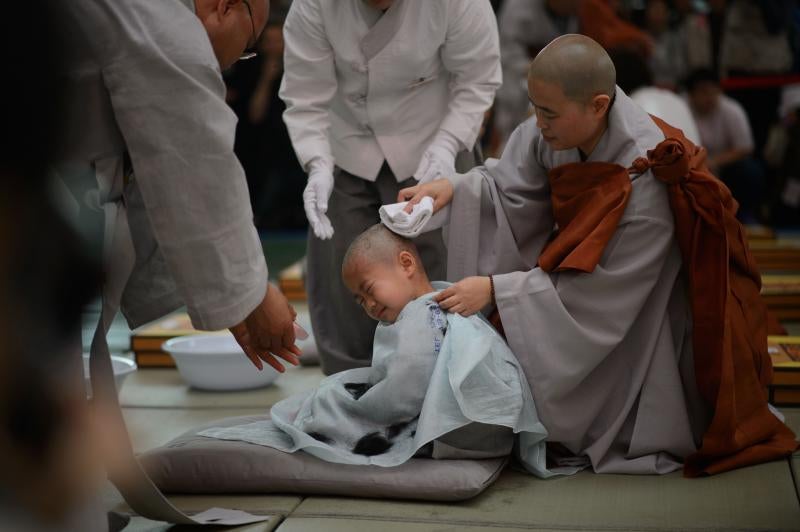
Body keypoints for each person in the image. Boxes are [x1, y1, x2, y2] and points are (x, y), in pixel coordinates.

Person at [400, 34, 797, 476]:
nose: (538, 122)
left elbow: (604, 293)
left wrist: (497, 288)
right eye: (534, 107)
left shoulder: (650, 176)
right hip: (570, 277)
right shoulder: (553, 126)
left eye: (548, 112)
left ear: (598, 105)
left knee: (607, 408)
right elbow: (508, 189)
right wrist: (452, 188)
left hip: (644, 304)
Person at [57, 0, 300, 373]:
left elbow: (155, 179)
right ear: (226, 6)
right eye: (248, 46)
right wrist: (251, 295)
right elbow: (193, 164)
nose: (237, 60)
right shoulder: (166, 25)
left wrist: (230, 296)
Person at [201, 224, 557, 476]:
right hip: (489, 426)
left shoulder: (420, 316)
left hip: (457, 432)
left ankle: (323, 420)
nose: (368, 304)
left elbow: (404, 391)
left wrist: (359, 406)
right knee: (343, 383)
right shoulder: (440, 298)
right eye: (359, 299)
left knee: (330, 395)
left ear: (406, 264)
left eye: (369, 289)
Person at [280, 0, 501, 375]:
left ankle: (450, 378)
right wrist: (317, 163)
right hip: (345, 140)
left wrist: (447, 145)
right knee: (345, 268)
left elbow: (477, 79)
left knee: (443, 265)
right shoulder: (314, 5)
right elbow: (306, 95)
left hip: (434, 133)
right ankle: (352, 385)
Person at [685, 68, 764, 222]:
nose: (709, 97)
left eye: (713, 91)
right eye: (703, 92)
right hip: (691, 167)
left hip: (724, 167)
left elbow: (745, 147)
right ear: (691, 94)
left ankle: (744, 213)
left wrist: (714, 161)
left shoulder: (732, 110)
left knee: (750, 170)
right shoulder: (681, 107)